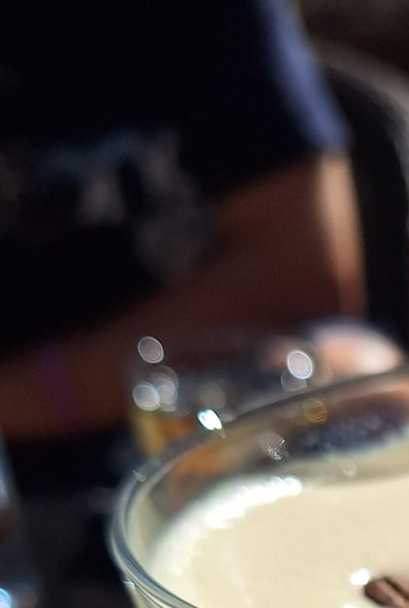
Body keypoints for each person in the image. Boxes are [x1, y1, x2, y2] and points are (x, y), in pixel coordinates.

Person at [0, 0, 364, 458]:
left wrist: (41, 394)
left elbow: (303, 274)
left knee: (373, 376)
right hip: (36, 461)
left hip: (214, 409)